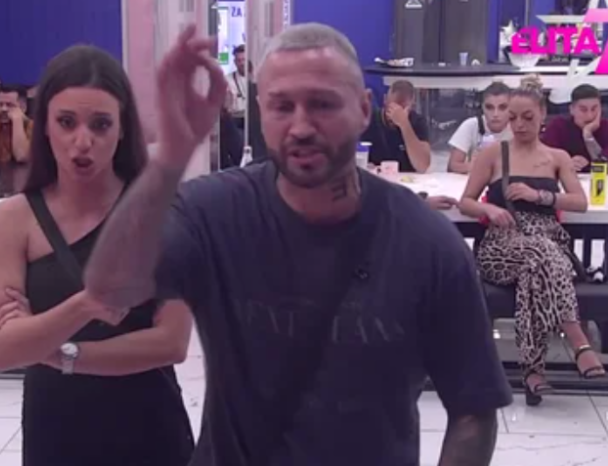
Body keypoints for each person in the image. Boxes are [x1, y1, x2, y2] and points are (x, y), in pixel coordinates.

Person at [83, 23, 511, 466]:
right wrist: (170, 156)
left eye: (322, 104)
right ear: (261, 113)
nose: (301, 127)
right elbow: (109, 290)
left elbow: (473, 409)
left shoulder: (428, 244)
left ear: (364, 109)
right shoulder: (213, 213)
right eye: (281, 106)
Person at [0, 45, 194, 466]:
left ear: (122, 129)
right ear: (44, 126)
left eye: (101, 124)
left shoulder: (162, 212)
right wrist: (86, 305)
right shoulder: (15, 219)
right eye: (66, 122)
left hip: (148, 425)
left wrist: (54, 351)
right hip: (55, 425)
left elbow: (171, 342)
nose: (83, 142)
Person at [458, 80, 605, 406]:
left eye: (527, 117)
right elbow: (465, 201)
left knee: (535, 271)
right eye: (513, 118)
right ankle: (578, 340)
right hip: (502, 244)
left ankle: (533, 371)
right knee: (543, 254)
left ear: (542, 116)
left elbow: (579, 202)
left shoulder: (556, 156)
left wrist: (539, 195)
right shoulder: (493, 154)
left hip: (544, 242)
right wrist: (489, 209)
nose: (519, 125)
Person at [361, 79, 431, 173]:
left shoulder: (417, 122)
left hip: (408, 177)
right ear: (385, 100)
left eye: (401, 109)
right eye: (391, 108)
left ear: (411, 105)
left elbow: (422, 166)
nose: (394, 114)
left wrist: (404, 124)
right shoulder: (370, 120)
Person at [541, 83, 608, 173]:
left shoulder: (605, 127)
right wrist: (565, 163)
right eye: (583, 110)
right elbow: (545, 158)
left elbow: (603, 163)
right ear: (572, 109)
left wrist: (588, 137)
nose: (590, 116)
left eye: (594, 109)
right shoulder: (558, 126)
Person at [448, 82, 513, 174]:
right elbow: (452, 166)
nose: (495, 114)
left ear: (512, 107)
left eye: (502, 107)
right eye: (489, 107)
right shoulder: (471, 125)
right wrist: (473, 166)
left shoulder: (517, 128)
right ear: (482, 107)